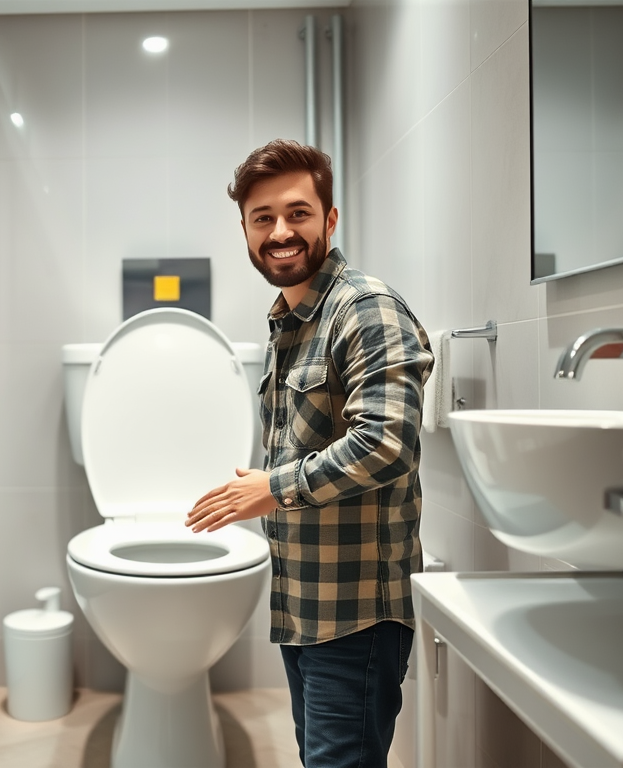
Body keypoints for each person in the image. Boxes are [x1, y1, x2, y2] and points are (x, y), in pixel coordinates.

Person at [185, 139, 434, 768]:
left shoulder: (364, 309)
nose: (280, 232)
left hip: (354, 613)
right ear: (244, 229)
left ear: (329, 218)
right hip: (306, 601)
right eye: (262, 217)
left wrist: (270, 488)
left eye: (297, 213)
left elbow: (386, 444)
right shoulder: (291, 320)